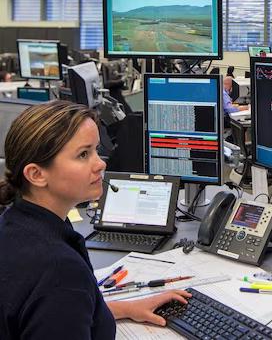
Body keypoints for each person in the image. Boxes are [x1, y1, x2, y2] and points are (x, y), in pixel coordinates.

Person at [0, 100, 191, 339]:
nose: (101, 163)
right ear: (36, 174)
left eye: (96, 150)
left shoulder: (15, 223)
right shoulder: (59, 270)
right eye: (83, 154)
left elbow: (56, 313)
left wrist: (125, 308)